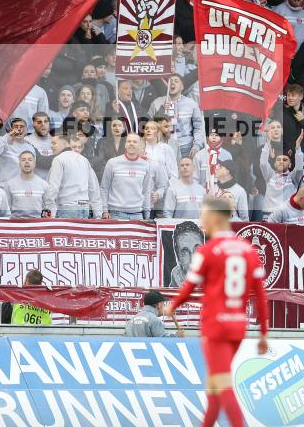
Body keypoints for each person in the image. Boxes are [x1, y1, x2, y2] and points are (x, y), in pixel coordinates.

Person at [165, 196, 268, 427]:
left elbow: (189, 287)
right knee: (214, 386)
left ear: (214, 217)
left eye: (204, 215)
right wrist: (263, 333)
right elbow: (261, 296)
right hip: (238, 326)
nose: (202, 220)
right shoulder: (248, 251)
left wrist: (173, 305)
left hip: (216, 326)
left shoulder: (209, 251)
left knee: (222, 384)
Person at [43, 133, 103, 219]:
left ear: (64, 142)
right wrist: (98, 215)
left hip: (66, 209)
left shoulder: (59, 159)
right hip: (84, 209)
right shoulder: (84, 160)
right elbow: (94, 189)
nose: (51, 146)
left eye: (54, 143)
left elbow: (53, 188)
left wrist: (49, 213)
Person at [100, 133, 154, 220]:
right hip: (115, 214)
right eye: (129, 141)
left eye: (134, 142)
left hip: (138, 215)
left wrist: (147, 215)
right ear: (125, 145)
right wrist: (104, 210)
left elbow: (146, 192)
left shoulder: (146, 165)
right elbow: (104, 188)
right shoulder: (112, 163)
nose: (131, 144)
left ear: (140, 146)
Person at [1, 151, 47, 219]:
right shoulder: (9, 184)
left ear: (34, 163)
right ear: (19, 163)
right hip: (16, 224)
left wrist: (45, 223)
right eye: (23, 160)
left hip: (37, 224)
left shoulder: (44, 184)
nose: (27, 162)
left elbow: (48, 207)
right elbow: (6, 209)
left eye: (30, 160)